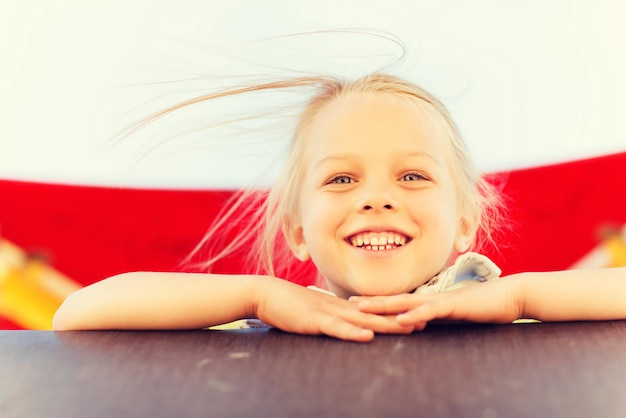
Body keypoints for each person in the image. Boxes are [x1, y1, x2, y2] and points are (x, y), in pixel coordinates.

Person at [52, 73, 626, 341]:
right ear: (298, 233)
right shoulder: (282, 315)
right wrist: (258, 293)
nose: (376, 197)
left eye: (412, 175)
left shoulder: (495, 303)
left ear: (465, 223)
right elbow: (76, 312)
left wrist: (521, 296)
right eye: (343, 178)